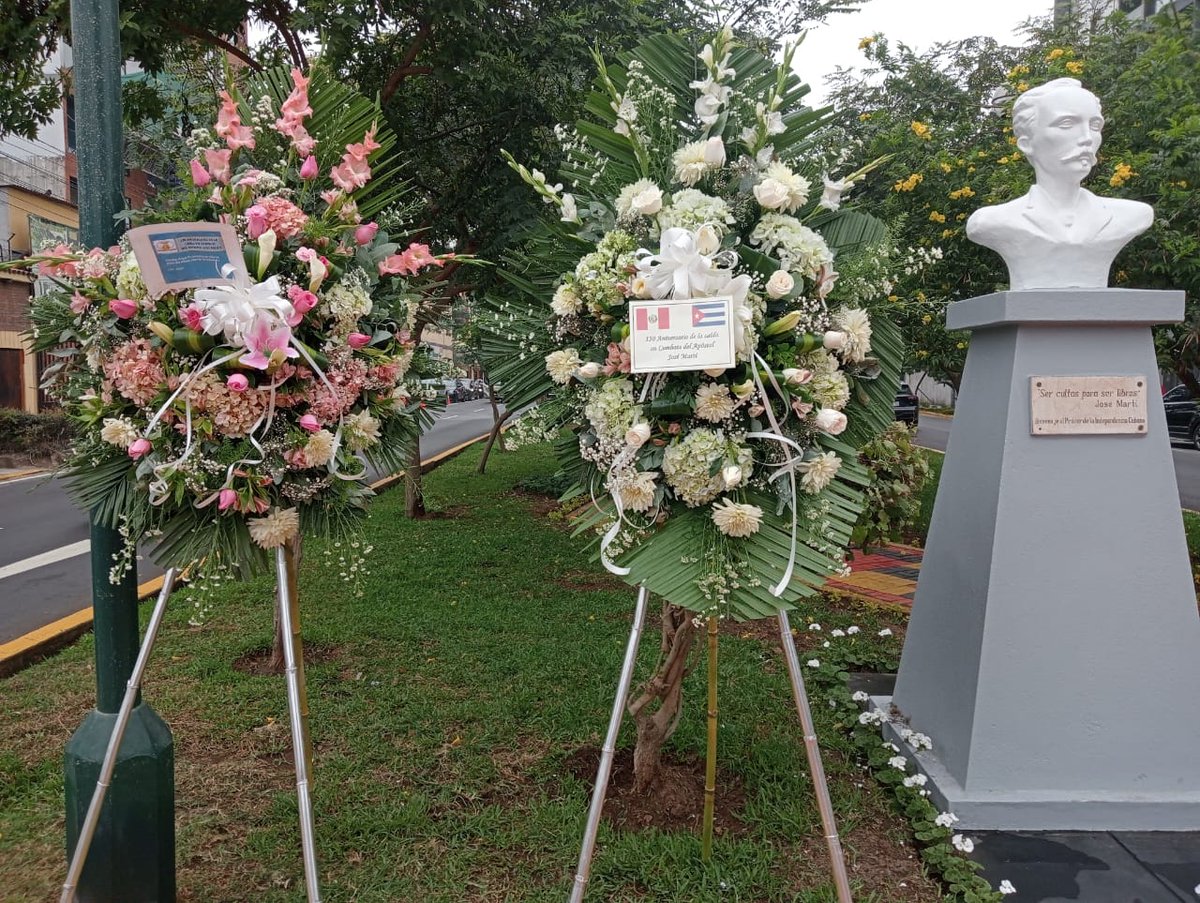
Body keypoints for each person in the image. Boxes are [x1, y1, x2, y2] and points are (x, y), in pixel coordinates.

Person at [966, 78, 1153, 291]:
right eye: (1066, 124)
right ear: (1027, 143)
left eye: (1094, 125)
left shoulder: (1132, 216)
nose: (1086, 138)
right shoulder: (992, 221)